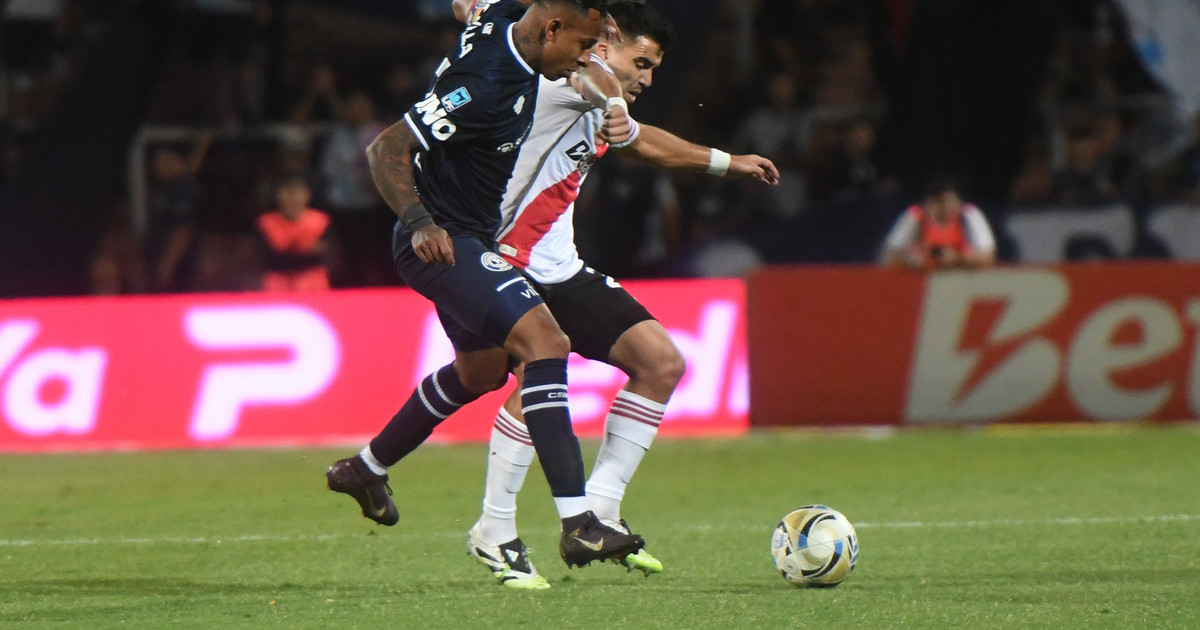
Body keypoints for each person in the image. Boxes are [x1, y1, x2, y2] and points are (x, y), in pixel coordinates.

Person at [458, 0, 780, 588]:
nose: (647, 79)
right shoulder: (572, 75)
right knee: (534, 380)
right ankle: (494, 527)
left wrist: (726, 161)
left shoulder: (599, 92)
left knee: (661, 363)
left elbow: (643, 141)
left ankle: (602, 510)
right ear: (606, 44)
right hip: (506, 257)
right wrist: (613, 101)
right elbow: (594, 84)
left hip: (559, 265)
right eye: (643, 62)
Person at [323, 0, 648, 573]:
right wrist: (420, 223)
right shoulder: (483, 86)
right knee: (547, 343)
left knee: (481, 371)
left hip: (473, 236)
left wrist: (614, 101)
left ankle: (365, 469)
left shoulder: (501, 15)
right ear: (552, 29)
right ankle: (579, 525)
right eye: (581, 46)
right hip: (445, 240)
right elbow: (386, 148)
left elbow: (469, 4)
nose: (586, 59)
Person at [880, 175, 997, 270]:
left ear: (957, 200)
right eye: (936, 202)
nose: (943, 207)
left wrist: (959, 259)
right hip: (920, 282)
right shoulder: (914, 216)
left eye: (947, 200)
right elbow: (890, 257)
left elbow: (987, 257)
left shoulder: (969, 214)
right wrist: (918, 262)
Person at [256, 175, 333, 291]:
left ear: (307, 194)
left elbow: (330, 256)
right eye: (287, 192)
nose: (292, 198)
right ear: (277, 195)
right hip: (277, 281)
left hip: (314, 281)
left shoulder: (322, 221)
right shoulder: (266, 223)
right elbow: (260, 256)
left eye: (297, 192)